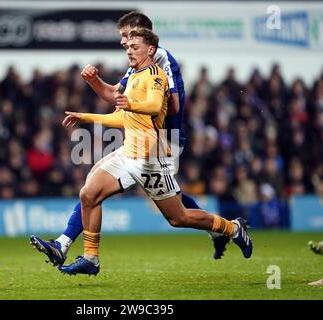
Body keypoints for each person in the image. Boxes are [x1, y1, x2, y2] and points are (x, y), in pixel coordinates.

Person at [29, 11, 231, 267]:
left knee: (175, 212)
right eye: (124, 38)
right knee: (95, 189)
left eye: (127, 36)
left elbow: (173, 105)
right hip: (139, 140)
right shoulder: (137, 65)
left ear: (142, 34)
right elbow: (116, 96)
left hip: (162, 140)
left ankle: (226, 228)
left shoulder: (159, 58)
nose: (124, 43)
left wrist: (135, 107)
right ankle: (67, 246)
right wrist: (94, 82)